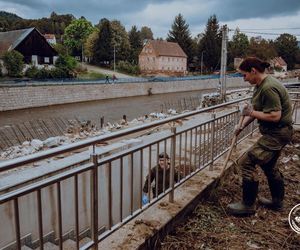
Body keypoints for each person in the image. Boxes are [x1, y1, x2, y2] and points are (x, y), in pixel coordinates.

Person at [227, 57, 293, 216]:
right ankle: (277, 202)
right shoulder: (261, 85)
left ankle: (248, 205)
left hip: (277, 133)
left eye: (244, 75)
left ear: (253, 71)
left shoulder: (268, 88)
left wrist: (251, 112)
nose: (244, 79)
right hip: (277, 132)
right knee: (269, 166)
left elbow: (274, 116)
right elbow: (257, 111)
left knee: (247, 162)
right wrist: (242, 125)